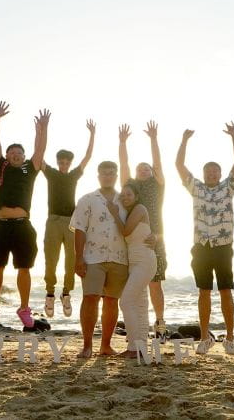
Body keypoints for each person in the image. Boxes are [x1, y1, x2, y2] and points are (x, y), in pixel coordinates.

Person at [175, 123, 234, 355]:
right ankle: (205, 338)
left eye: (215, 171)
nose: (212, 174)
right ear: (203, 174)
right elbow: (179, 165)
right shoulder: (196, 188)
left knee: (225, 291)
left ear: (220, 174)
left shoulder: (228, 188)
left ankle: (230, 338)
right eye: (208, 171)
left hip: (223, 247)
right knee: (203, 292)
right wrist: (184, 141)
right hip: (201, 247)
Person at [0, 101, 50, 328]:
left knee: (24, 267)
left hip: (23, 225)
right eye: (11, 152)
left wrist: (42, 128)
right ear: (6, 156)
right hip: (0, 225)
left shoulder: (29, 169)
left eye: (19, 153)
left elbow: (40, 150)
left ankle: (24, 308)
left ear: (23, 156)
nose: (15, 155)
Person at [71, 161, 129, 358]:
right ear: (98, 176)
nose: (108, 176)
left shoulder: (125, 199)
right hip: (93, 257)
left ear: (116, 176)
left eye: (111, 173)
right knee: (90, 298)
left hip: (119, 257)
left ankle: (106, 346)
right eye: (104, 173)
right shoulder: (87, 199)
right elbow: (79, 229)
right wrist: (78, 258)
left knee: (112, 301)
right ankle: (87, 346)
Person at [118, 120, 168, 339]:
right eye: (140, 169)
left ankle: (160, 323)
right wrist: (122, 143)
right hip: (132, 241)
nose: (144, 170)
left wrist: (154, 139)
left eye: (146, 168)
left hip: (155, 238)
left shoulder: (158, 185)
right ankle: (139, 328)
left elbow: (158, 163)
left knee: (155, 284)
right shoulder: (131, 188)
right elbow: (124, 165)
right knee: (135, 286)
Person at [42, 119, 96, 318]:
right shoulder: (51, 174)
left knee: (71, 260)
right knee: (51, 258)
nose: (64, 165)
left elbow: (87, 157)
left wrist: (92, 134)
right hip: (54, 220)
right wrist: (43, 129)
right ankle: (49, 293)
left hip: (71, 222)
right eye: (62, 162)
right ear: (58, 162)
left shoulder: (73, 175)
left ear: (70, 164)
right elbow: (39, 157)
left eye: (67, 163)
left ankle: (66, 293)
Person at [109, 182, 158, 358]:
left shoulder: (139, 209)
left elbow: (125, 231)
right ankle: (141, 347)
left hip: (144, 260)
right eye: (123, 195)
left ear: (136, 196)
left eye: (129, 194)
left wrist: (114, 213)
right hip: (135, 263)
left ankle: (133, 348)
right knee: (140, 304)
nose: (125, 197)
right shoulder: (129, 213)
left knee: (126, 302)